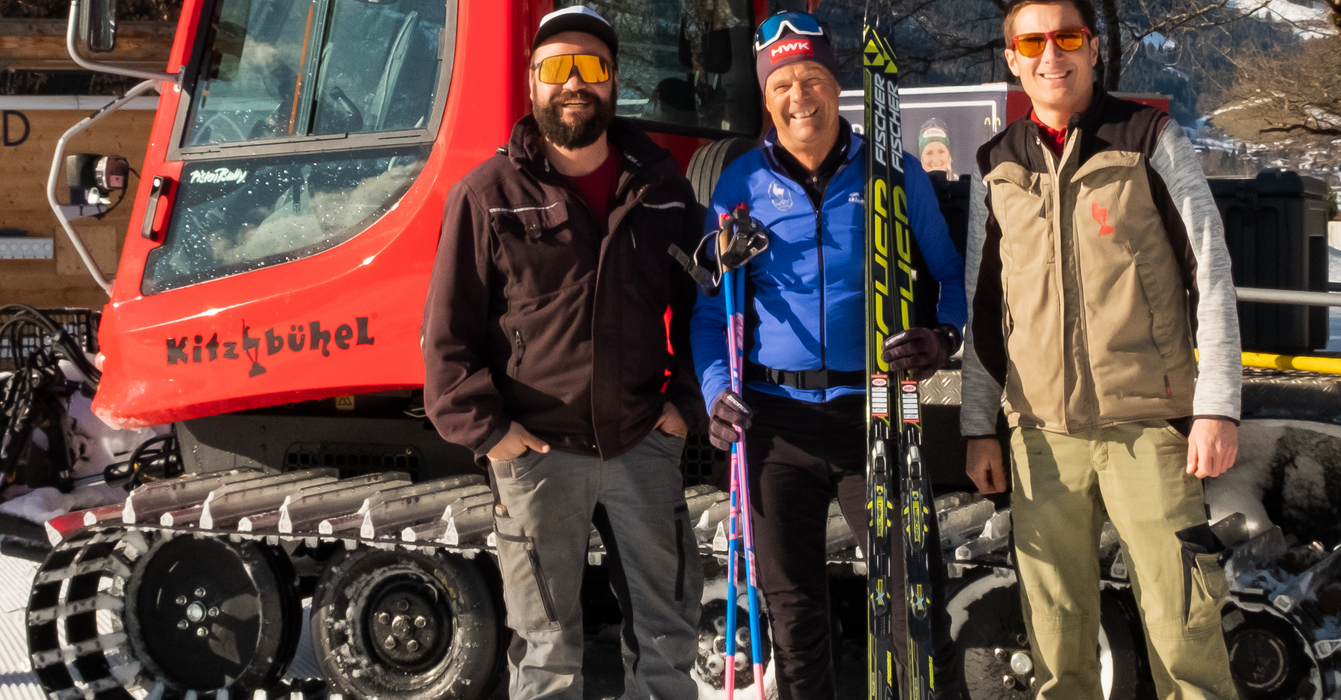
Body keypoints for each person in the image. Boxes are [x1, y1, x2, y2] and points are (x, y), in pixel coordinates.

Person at [421, 6, 708, 700]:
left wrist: (684, 404)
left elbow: (709, 306)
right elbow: (447, 331)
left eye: (592, 68)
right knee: (546, 647)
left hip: (642, 442)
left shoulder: (663, 190)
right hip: (539, 455)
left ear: (614, 84)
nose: (574, 83)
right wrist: (490, 433)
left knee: (667, 633)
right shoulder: (486, 198)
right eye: (557, 69)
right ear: (532, 85)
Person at [959, 0, 1242, 697]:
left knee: (1186, 635)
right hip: (1040, 439)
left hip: (1148, 426)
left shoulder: (1147, 138)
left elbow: (1210, 270)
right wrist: (977, 426)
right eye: (1032, 41)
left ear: (1090, 50)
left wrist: (1217, 407)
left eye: (1067, 37)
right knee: (1058, 646)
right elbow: (982, 307)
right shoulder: (996, 164)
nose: (1050, 54)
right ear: (1013, 58)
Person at [689, 12, 968, 700]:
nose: (799, 95)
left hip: (873, 410)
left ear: (835, 84)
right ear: (766, 95)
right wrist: (717, 390)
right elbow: (706, 311)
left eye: (812, 77)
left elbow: (953, 275)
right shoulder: (739, 187)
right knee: (793, 612)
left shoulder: (894, 172)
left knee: (911, 596)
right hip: (775, 423)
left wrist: (941, 337)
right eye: (782, 82)